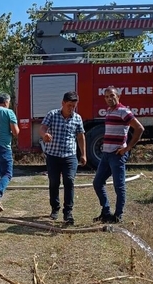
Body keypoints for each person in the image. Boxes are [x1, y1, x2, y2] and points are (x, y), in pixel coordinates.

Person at [92, 86, 144, 223]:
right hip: (106, 154)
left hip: (117, 155)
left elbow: (139, 128)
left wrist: (127, 148)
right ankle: (106, 212)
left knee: (118, 186)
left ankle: (118, 216)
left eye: (112, 96)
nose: (110, 98)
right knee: (97, 183)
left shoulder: (123, 111)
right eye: (107, 96)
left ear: (118, 97)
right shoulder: (109, 111)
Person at [39, 91, 87, 225]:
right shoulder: (52, 114)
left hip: (69, 156)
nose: (71, 108)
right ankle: (55, 208)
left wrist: (83, 154)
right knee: (54, 182)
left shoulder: (77, 118)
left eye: (74, 106)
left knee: (69, 181)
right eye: (69, 105)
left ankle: (68, 212)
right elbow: (42, 128)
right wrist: (45, 135)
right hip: (53, 155)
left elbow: (80, 136)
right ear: (63, 103)